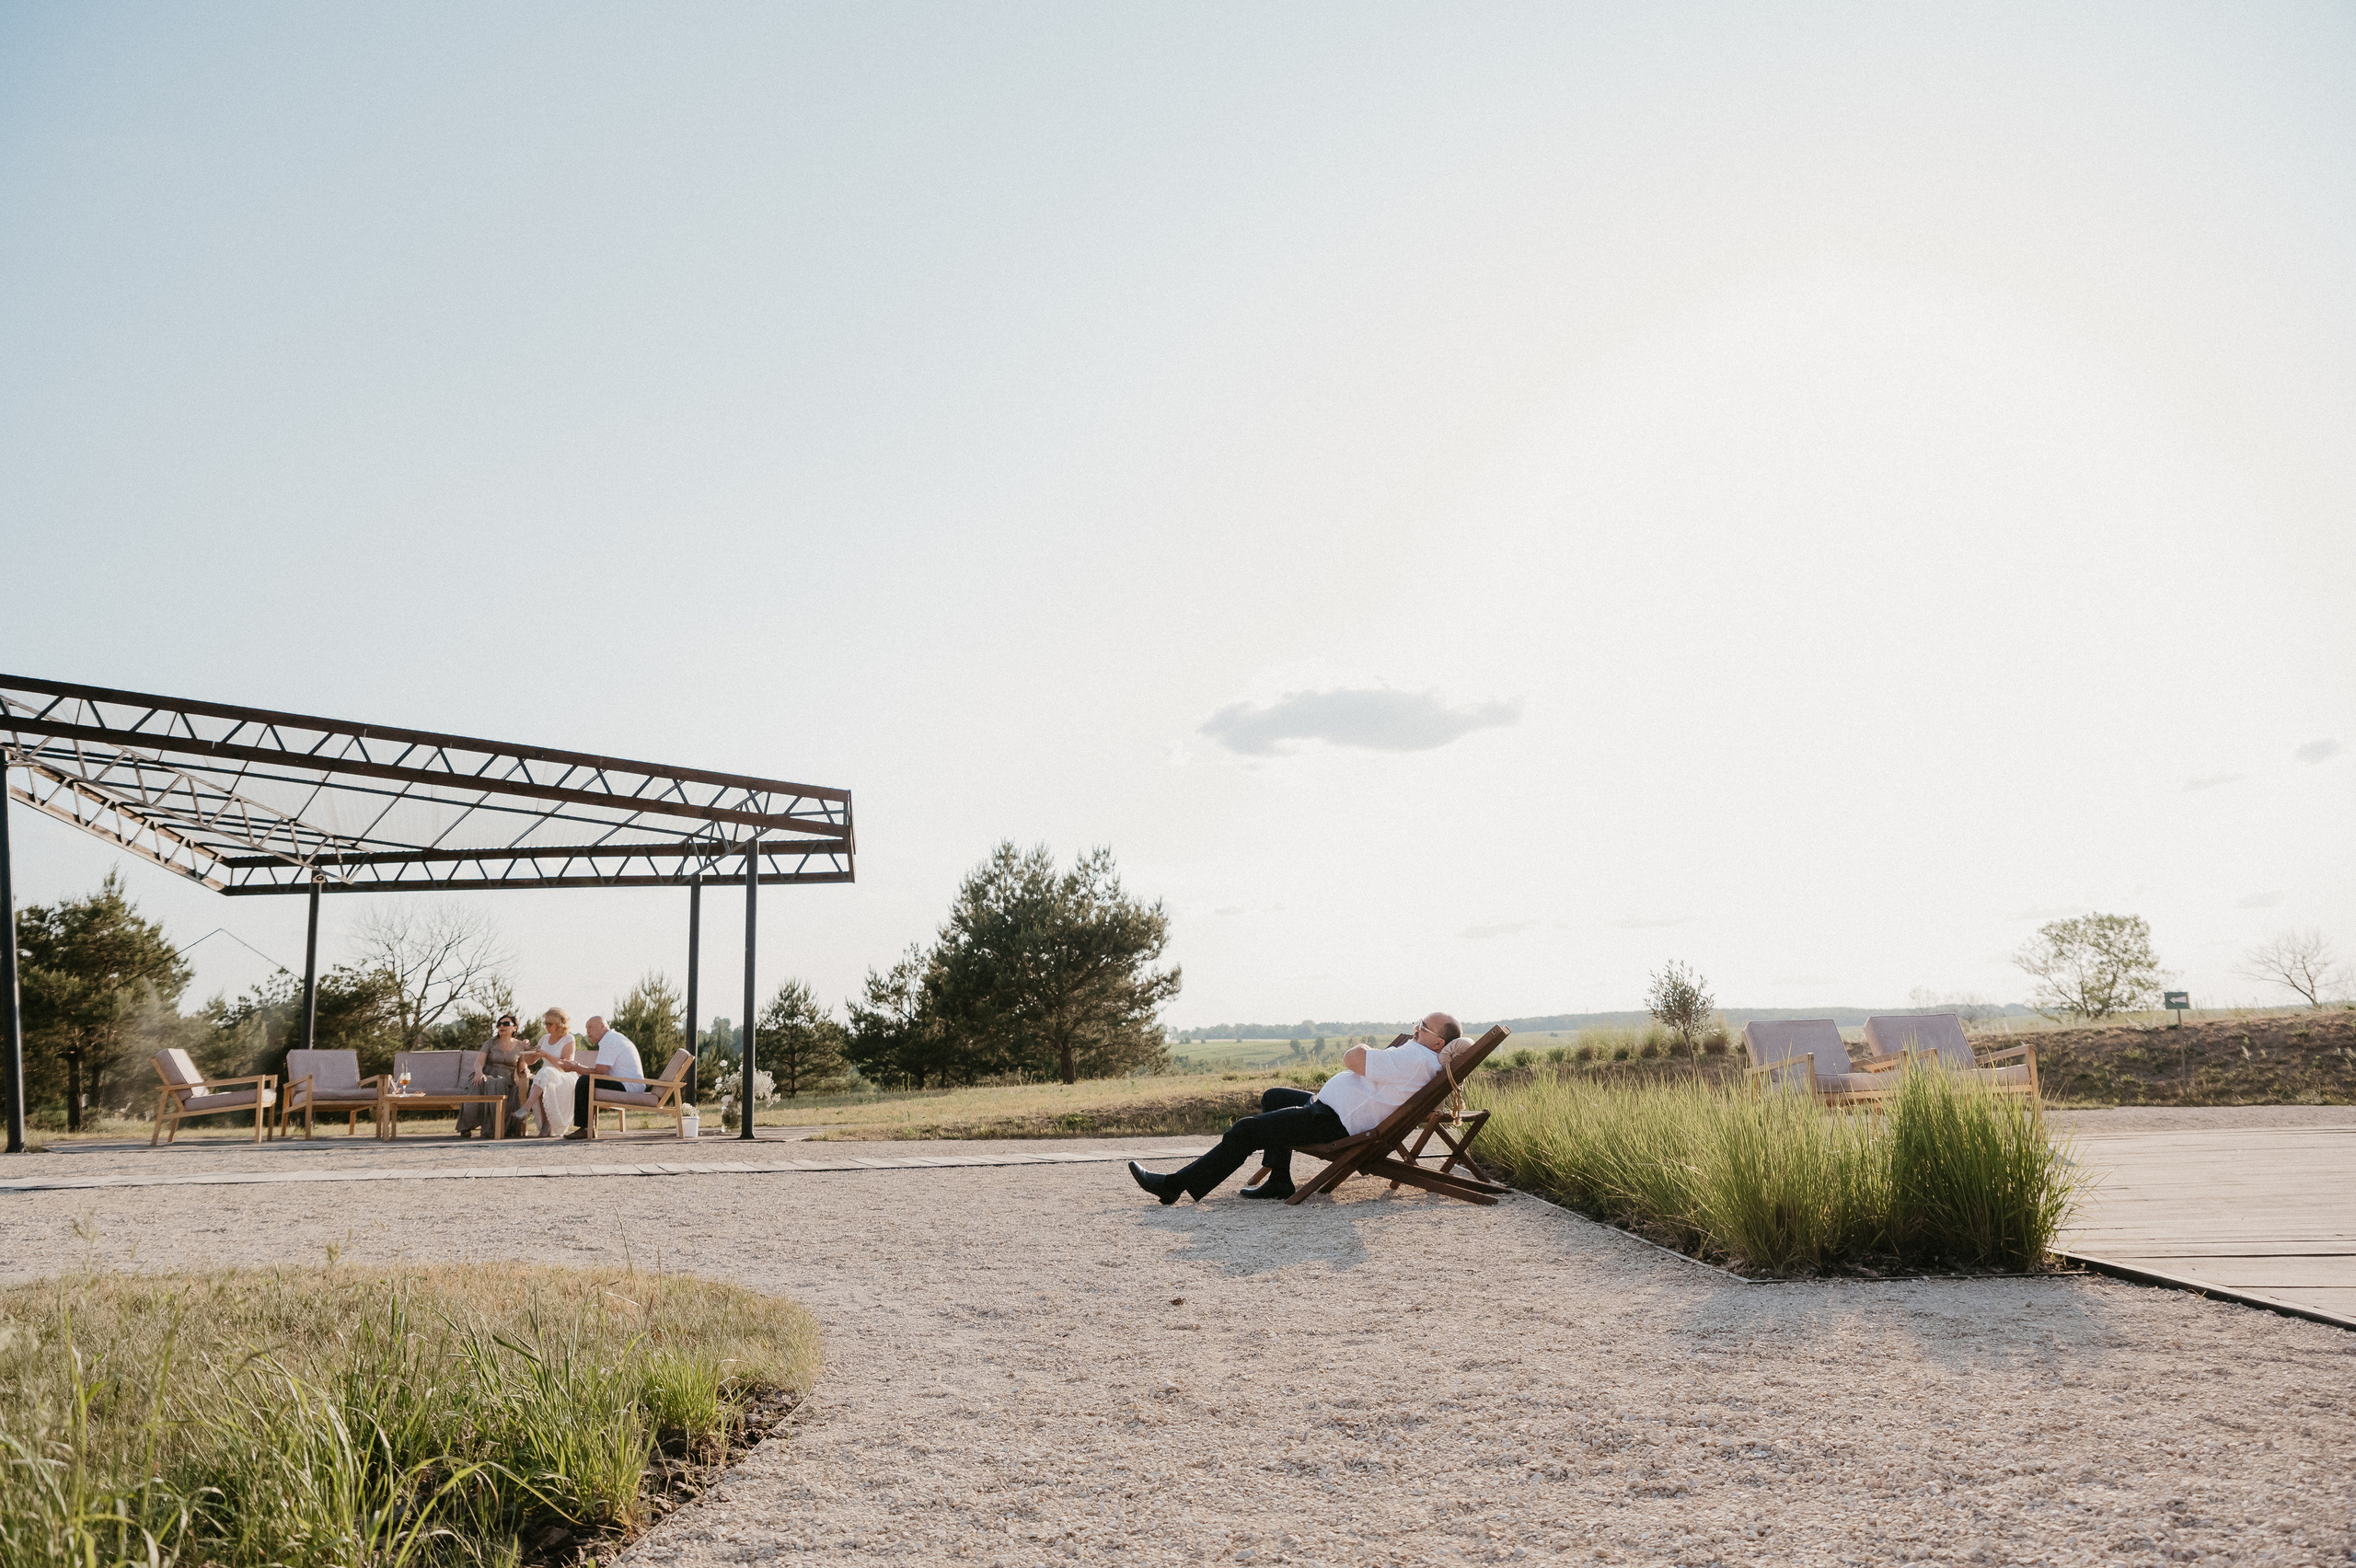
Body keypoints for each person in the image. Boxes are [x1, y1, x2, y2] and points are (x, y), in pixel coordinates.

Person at [1128, 1012, 1462, 1205]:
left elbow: (1352, 1058)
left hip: (1332, 1123)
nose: (1416, 1028)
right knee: (1274, 1096)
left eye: (1423, 1027)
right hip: (1326, 1109)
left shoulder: (1414, 1059)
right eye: (1418, 1022)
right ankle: (1279, 1181)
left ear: (1438, 1042)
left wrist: (1363, 1046)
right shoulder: (1424, 1060)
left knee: (1246, 1129)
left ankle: (1174, 1186)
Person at [560, 1015, 644, 1141]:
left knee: (584, 1081)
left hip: (628, 1086)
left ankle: (586, 1128)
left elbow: (598, 1073)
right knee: (587, 1081)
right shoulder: (613, 1038)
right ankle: (588, 1127)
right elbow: (600, 1072)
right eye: (586, 1029)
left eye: (590, 1027)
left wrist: (575, 1067)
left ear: (602, 1026)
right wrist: (576, 1067)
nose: (587, 1032)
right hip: (630, 1084)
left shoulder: (609, 1040)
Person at [456, 1013, 528, 1137]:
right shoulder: (490, 1043)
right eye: (499, 1024)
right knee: (476, 1086)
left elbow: (522, 1066)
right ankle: (466, 1127)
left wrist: (525, 1070)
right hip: (485, 1074)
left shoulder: (520, 1045)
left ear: (514, 1028)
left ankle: (494, 1129)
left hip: (506, 1079)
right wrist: (479, 1073)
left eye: (506, 1024)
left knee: (498, 1084)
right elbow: (479, 1062)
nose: (501, 1026)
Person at [514, 1008, 582, 1137]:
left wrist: (547, 1055)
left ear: (559, 1024)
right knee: (545, 1075)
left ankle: (527, 1108)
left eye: (549, 1024)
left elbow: (566, 1066)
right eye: (545, 1024)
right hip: (547, 1076)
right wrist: (527, 1050)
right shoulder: (544, 1039)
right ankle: (544, 1123)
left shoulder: (568, 1039)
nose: (546, 1027)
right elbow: (530, 1061)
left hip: (564, 1077)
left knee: (545, 1073)